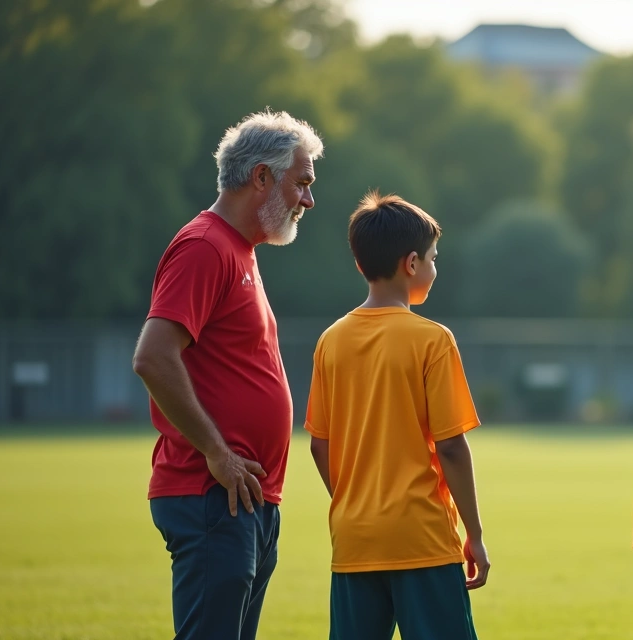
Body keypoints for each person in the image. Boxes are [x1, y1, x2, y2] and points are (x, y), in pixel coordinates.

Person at [131, 110, 323, 639]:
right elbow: (152, 356)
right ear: (261, 176)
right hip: (213, 492)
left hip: (247, 497)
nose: (308, 200)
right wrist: (217, 451)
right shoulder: (205, 246)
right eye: (301, 182)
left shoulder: (241, 250)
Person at [305, 191, 489, 640]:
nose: (434, 268)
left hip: (354, 539)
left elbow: (318, 442)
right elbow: (450, 444)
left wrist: (357, 501)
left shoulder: (331, 340)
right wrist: (475, 534)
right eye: (432, 258)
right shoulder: (432, 339)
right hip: (421, 539)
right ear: (411, 264)